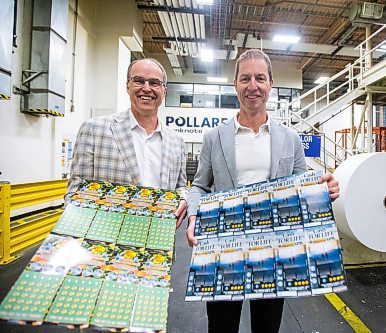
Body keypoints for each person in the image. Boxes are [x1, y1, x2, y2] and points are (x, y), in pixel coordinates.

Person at [186, 49, 340, 333]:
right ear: (235, 84)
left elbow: (300, 184)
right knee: (221, 326)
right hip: (224, 248)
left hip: (274, 251)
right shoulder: (214, 137)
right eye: (245, 78)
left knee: (267, 326)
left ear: (270, 84)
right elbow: (199, 185)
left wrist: (324, 188)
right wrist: (194, 215)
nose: (252, 86)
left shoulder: (290, 138)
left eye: (260, 78)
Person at [65, 58, 187, 226]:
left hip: (159, 238)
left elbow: (181, 187)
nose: (146, 88)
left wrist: (183, 199)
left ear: (164, 91)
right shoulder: (94, 129)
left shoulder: (176, 141)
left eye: (154, 83)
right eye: (138, 81)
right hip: (105, 240)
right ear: (127, 86)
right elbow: (76, 191)